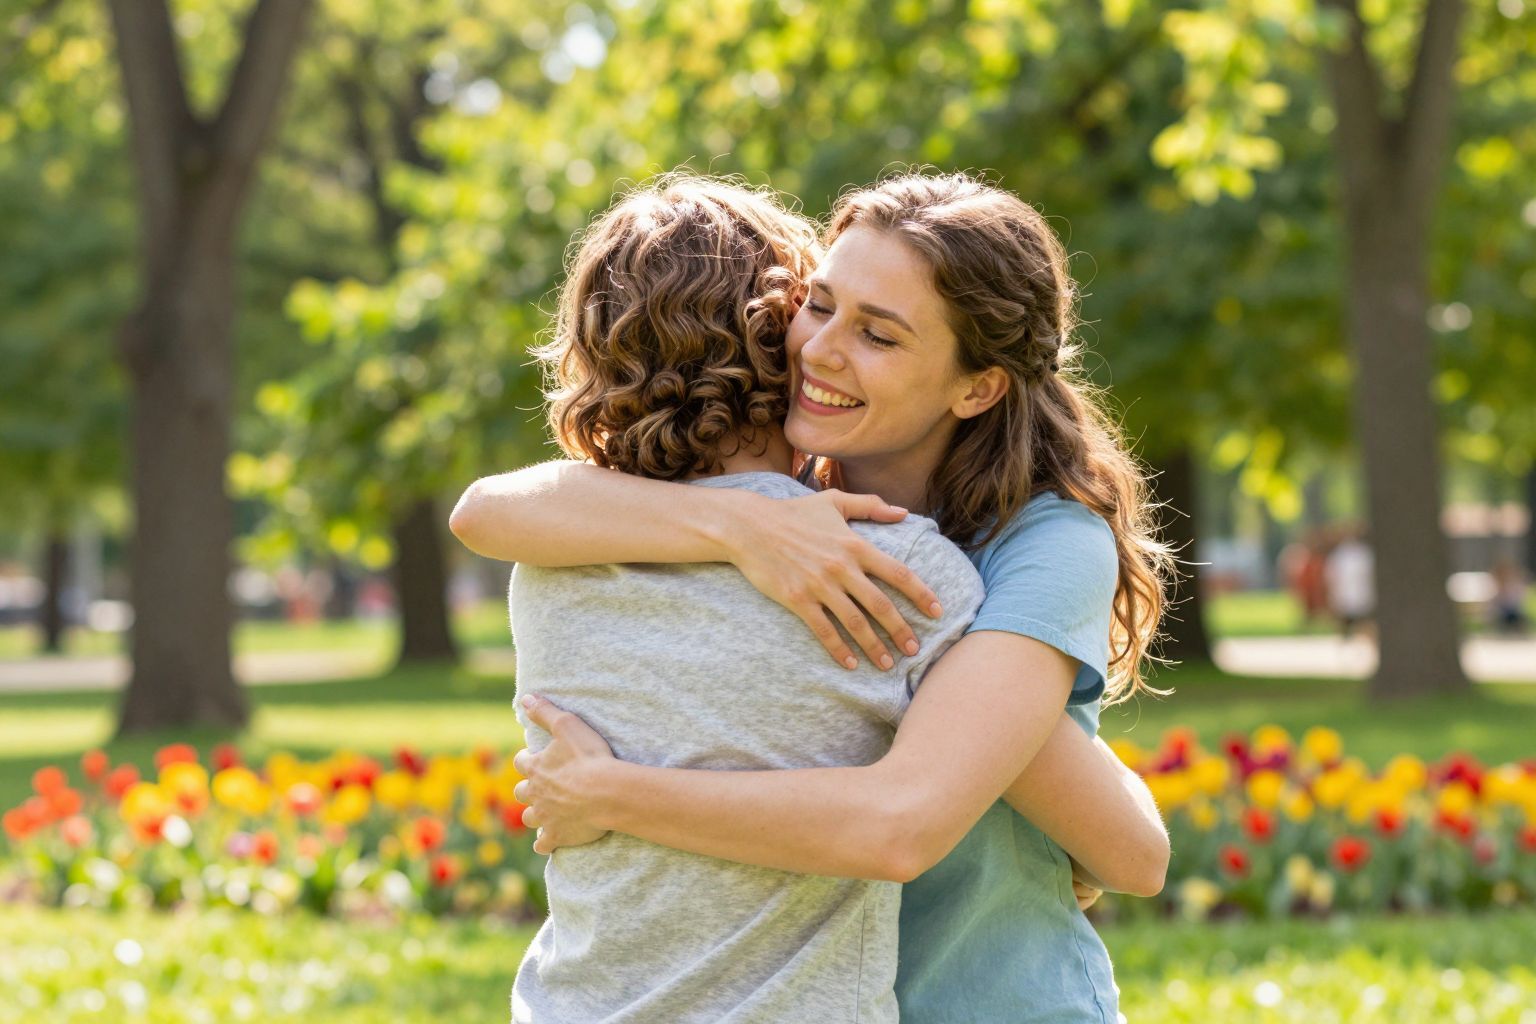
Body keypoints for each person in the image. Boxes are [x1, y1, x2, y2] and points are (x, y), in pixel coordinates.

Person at [454, 172, 1172, 1023]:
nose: (823, 349)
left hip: (988, 1001)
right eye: (820, 304)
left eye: (881, 335)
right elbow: (489, 510)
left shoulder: (1041, 547)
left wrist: (612, 794)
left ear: (975, 387)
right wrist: (740, 528)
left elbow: (936, 827)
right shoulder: (792, 495)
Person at [1325, 527, 1374, 638]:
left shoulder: (1340, 555)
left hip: (1355, 596)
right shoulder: (1361, 554)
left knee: (1361, 624)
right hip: (1353, 596)